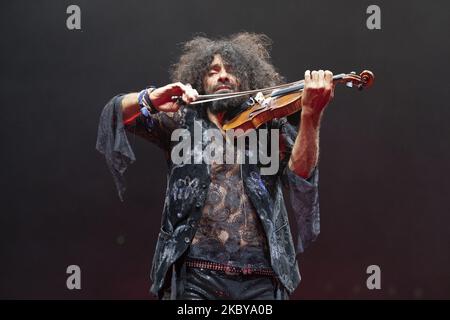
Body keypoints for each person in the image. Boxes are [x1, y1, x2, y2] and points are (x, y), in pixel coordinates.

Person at [96, 32, 334, 300]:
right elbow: (116, 113)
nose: (223, 75)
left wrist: (311, 115)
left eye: (231, 70)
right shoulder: (180, 121)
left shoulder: (270, 123)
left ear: (247, 79)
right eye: (213, 70)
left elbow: (300, 175)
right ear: (200, 79)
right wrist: (149, 98)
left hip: (263, 277)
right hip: (195, 275)